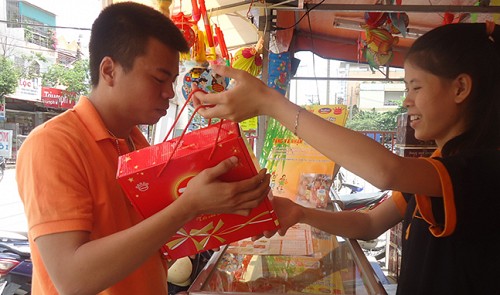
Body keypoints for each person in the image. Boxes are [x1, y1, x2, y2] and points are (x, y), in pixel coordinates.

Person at [193, 22, 500, 294]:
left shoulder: (482, 169)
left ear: (460, 88)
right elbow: (367, 223)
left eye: (416, 87)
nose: (406, 100)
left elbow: (386, 171)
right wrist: (300, 212)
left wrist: (270, 103)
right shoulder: (436, 166)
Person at [16, 3, 270, 295]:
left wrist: (237, 208)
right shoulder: (53, 144)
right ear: (109, 70)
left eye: (172, 81)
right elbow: (73, 279)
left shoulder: (136, 142)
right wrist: (190, 205)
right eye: (159, 79)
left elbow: (158, 235)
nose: (169, 93)